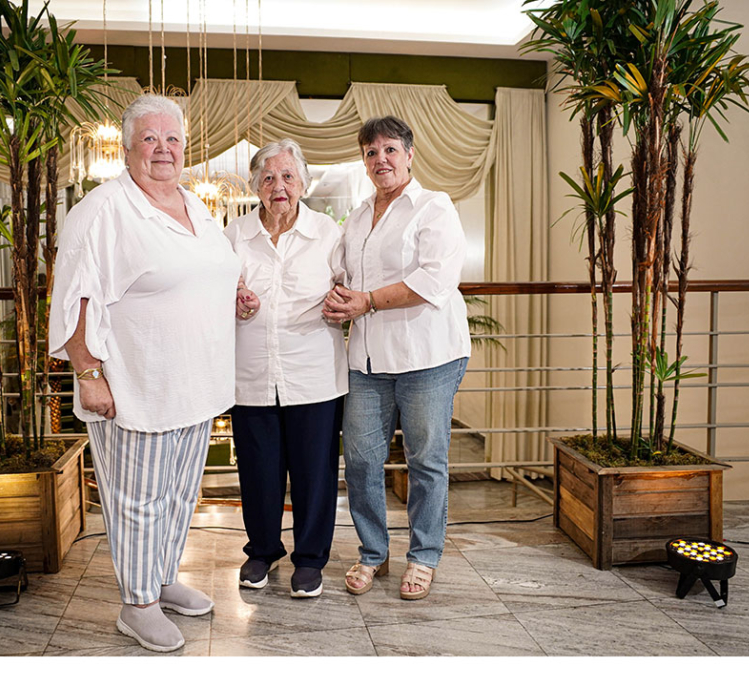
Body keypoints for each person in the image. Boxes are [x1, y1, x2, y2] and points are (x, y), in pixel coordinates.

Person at [48, 94, 241, 652]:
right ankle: (137, 605)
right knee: (137, 499)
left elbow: (207, 271)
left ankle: (161, 579)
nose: (163, 149)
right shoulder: (102, 211)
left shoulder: (194, 204)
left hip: (197, 384)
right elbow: (74, 298)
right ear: (128, 148)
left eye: (172, 138)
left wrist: (234, 293)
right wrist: (88, 373)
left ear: (186, 146)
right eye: (150, 139)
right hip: (137, 384)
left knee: (179, 495)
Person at [322, 115, 471, 601]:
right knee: (361, 461)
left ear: (408, 154)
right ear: (364, 161)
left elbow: (435, 280)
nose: (380, 159)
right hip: (367, 361)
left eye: (389, 149)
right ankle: (373, 553)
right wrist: (332, 296)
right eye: (371, 152)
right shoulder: (358, 215)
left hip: (428, 356)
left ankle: (424, 556)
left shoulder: (434, 206)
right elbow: (338, 272)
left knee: (426, 460)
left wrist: (365, 301)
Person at [225, 139, 347, 599]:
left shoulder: (328, 234)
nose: (279, 186)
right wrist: (233, 299)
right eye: (269, 177)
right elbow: (213, 291)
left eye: (288, 177)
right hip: (251, 374)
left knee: (315, 472)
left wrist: (342, 301)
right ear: (255, 185)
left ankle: (310, 560)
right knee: (258, 471)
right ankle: (261, 551)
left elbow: (351, 286)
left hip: (313, 373)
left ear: (303, 184)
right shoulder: (234, 235)